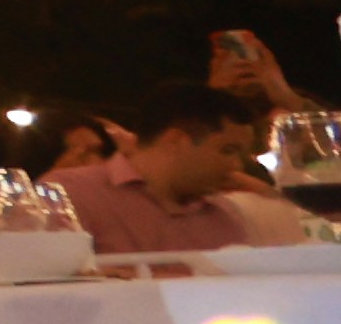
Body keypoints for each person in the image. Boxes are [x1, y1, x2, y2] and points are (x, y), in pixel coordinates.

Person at [69, 88, 303, 256]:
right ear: (176, 140)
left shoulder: (221, 216)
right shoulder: (73, 194)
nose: (236, 166)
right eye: (227, 150)